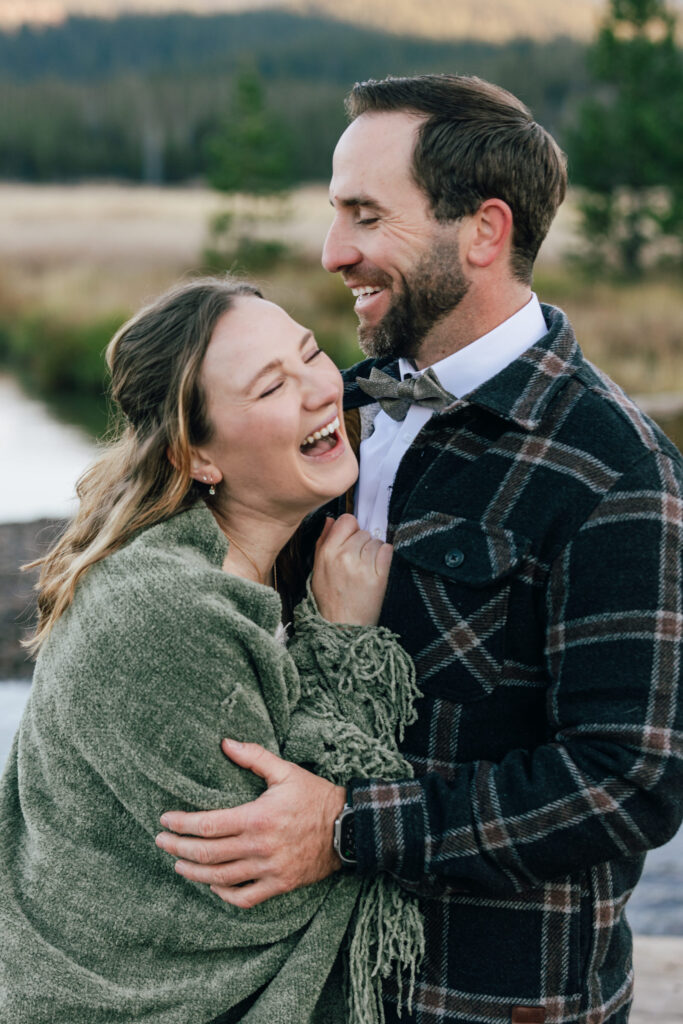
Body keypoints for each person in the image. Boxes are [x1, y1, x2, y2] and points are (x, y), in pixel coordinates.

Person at [156, 75, 683, 1024]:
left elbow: (625, 781)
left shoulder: (615, 470)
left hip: (482, 996)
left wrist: (350, 830)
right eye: (334, 213)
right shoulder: (333, 412)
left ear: (481, 231)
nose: (332, 252)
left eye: (365, 215)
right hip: (296, 979)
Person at [0, 276, 426, 1024]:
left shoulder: (221, 570)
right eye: (269, 387)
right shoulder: (168, 611)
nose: (320, 391)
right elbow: (269, 879)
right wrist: (348, 642)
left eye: (309, 354)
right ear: (197, 456)